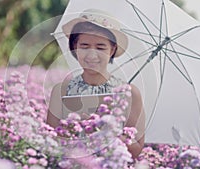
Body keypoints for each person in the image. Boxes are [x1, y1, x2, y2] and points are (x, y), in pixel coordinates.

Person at [47, 9, 145, 158]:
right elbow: (51, 143)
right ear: (75, 47)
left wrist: (105, 132)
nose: (92, 55)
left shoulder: (129, 93)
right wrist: (74, 130)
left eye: (100, 47)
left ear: (112, 50)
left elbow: (136, 149)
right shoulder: (61, 91)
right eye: (84, 46)